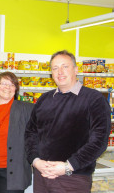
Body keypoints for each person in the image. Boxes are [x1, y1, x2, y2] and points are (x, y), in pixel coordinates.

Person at [25, 50, 111, 193]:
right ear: (51, 73)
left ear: (76, 70)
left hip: (73, 178)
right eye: (55, 68)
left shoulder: (94, 99)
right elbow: (31, 133)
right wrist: (35, 160)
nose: (60, 72)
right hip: (41, 176)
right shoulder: (43, 100)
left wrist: (68, 166)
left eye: (65, 66)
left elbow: (99, 141)